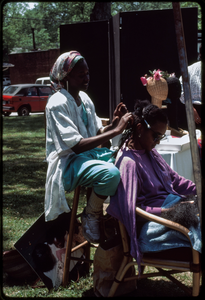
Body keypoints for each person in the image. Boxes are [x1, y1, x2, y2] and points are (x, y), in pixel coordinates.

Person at [45, 50, 132, 243]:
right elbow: (75, 146)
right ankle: (92, 214)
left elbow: (96, 136)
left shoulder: (84, 99)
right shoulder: (57, 103)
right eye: (80, 75)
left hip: (88, 156)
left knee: (127, 163)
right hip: (67, 164)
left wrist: (113, 123)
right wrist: (116, 131)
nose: (86, 78)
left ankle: (115, 215)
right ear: (66, 76)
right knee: (110, 174)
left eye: (87, 73)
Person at [107, 99, 201, 268]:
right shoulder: (129, 162)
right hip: (151, 227)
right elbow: (132, 210)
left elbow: (175, 180)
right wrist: (168, 211)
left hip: (173, 212)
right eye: (155, 136)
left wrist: (199, 190)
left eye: (160, 137)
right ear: (139, 129)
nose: (157, 141)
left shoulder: (151, 152)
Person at [179, 45, 202, 129]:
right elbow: (181, 91)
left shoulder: (189, 69)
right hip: (192, 109)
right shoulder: (190, 70)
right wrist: (191, 109)